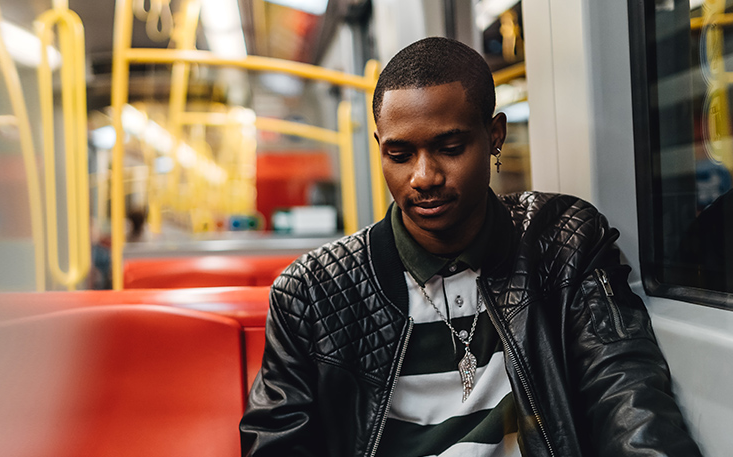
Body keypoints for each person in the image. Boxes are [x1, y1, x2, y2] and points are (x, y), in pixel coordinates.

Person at [239, 37, 700, 456]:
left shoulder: (563, 241)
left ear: (494, 136)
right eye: (399, 156)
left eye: (450, 147)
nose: (423, 178)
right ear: (380, 147)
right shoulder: (312, 293)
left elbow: (626, 394)